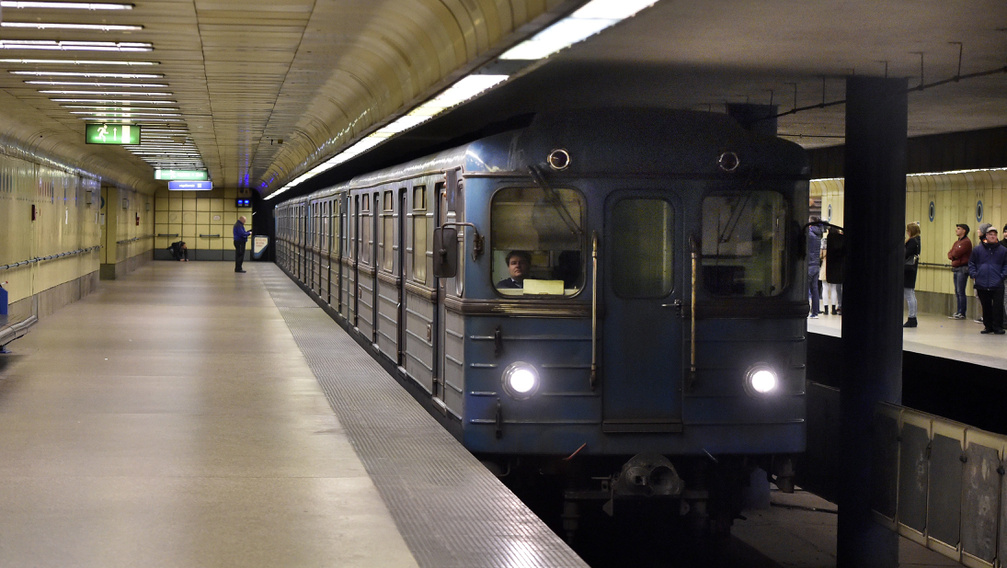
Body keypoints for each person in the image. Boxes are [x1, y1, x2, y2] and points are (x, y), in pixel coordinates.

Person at [969, 225, 1007, 334]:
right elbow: (971, 263)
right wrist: (974, 274)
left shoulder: (1003, 250)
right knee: (986, 306)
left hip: (997, 283)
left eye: (994, 235)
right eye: (990, 234)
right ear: (986, 236)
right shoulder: (977, 249)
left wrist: (1002, 275)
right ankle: (988, 326)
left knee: (998, 306)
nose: (993, 236)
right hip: (982, 282)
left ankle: (997, 327)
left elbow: (1006, 264)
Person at [947, 223, 972, 319]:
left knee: (961, 291)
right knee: (957, 291)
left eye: (958, 229)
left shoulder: (966, 242)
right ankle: (958, 311)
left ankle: (962, 312)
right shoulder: (957, 242)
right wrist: (953, 255)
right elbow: (950, 253)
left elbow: (957, 253)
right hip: (956, 268)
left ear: (964, 230)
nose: (956, 230)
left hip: (963, 268)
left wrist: (953, 255)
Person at [903, 222, 921, 328]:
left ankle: (912, 317)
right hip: (912, 269)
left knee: (909, 294)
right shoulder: (917, 240)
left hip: (908, 269)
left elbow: (905, 254)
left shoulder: (912, 241)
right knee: (910, 294)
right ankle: (912, 317)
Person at [820, 229, 838, 315]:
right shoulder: (839, 242)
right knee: (834, 289)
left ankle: (826, 309)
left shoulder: (824, 241)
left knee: (825, 288)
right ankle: (834, 309)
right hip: (835, 266)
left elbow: (821, 255)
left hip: (825, 266)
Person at [807, 218, 823, 318]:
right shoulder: (818, 235)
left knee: (806, 289)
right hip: (816, 264)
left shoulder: (810, 234)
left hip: (809, 265)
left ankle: (806, 310)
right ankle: (815, 312)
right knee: (815, 289)